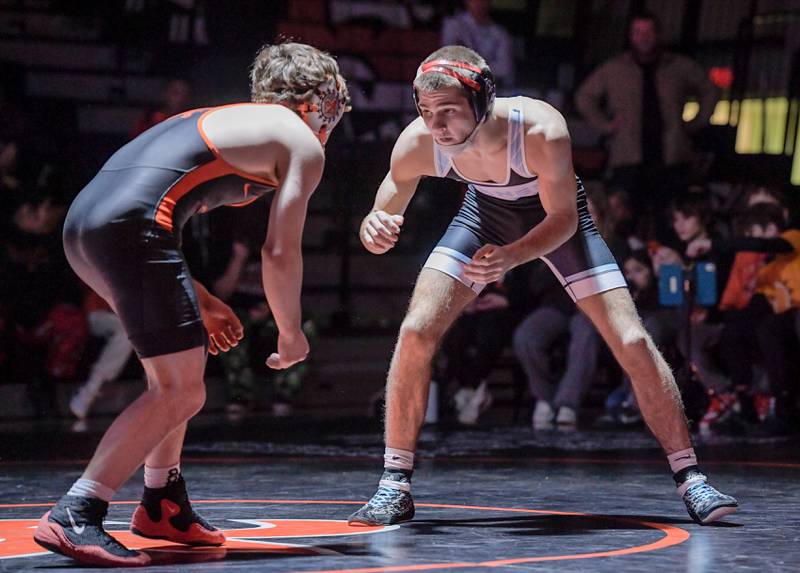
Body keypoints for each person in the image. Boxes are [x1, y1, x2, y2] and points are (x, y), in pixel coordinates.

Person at [348, 45, 736, 528]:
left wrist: (513, 256)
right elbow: (392, 190)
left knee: (632, 340)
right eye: (426, 112)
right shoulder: (419, 141)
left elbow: (564, 218)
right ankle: (394, 486)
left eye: (448, 111)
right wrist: (376, 222)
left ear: (483, 100)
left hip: (557, 223)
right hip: (483, 217)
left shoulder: (539, 129)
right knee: (415, 331)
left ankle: (692, 479)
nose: (437, 125)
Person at [33, 42, 350, 566]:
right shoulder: (299, 140)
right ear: (319, 102)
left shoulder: (230, 118)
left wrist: (197, 296)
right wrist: (290, 331)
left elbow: (155, 196)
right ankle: (78, 510)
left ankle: (163, 501)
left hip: (87, 224)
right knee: (182, 391)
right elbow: (279, 250)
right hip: (131, 229)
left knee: (176, 372)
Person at [575, 11, 718, 242]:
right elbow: (584, 96)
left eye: (648, 31)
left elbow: (709, 89)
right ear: (630, 36)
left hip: (670, 157)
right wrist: (605, 125)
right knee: (622, 218)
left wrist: (695, 123)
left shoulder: (677, 66)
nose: (643, 37)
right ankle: (624, 267)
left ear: (658, 34)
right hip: (628, 157)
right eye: (638, 32)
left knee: (670, 219)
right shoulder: (615, 68)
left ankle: (667, 267)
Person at [441, 0, 515, 87]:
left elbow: (505, 69)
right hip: (458, 86)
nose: (479, 3)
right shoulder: (453, 25)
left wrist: (474, 68)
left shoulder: (499, 33)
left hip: (491, 88)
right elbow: (449, 62)